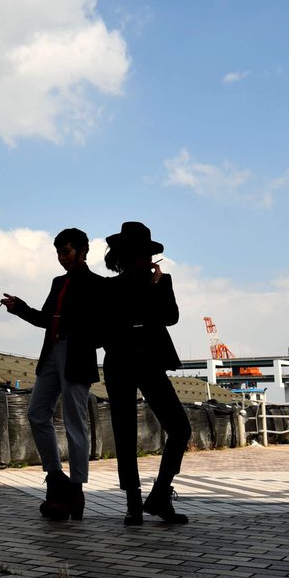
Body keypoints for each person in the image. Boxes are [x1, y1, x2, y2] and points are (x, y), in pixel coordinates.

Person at [0, 228, 103, 521]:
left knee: (75, 422)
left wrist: (83, 337)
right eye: (58, 253)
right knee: (36, 413)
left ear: (82, 251)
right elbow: (46, 319)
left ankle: (76, 488)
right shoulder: (58, 282)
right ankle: (55, 477)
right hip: (51, 353)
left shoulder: (97, 284)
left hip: (77, 355)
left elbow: (102, 327)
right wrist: (19, 308)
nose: (61, 258)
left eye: (66, 252)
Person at [102, 221, 191, 526]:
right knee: (124, 432)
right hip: (119, 363)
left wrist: (156, 287)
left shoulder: (160, 283)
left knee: (180, 428)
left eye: (148, 254)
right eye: (141, 254)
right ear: (125, 257)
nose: (147, 259)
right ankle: (133, 504)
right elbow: (105, 329)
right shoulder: (109, 287)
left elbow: (171, 317)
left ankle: (160, 495)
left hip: (151, 362)